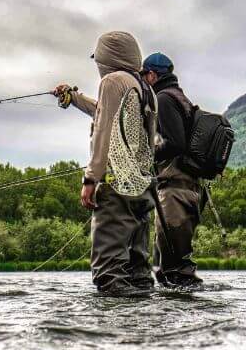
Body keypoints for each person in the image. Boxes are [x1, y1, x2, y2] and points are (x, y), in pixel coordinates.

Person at [53, 31, 157, 297]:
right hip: (142, 190)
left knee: (109, 275)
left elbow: (103, 129)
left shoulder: (112, 81)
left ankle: (111, 335)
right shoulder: (144, 88)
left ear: (107, 58)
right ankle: (146, 328)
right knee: (139, 275)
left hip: (115, 188)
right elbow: (105, 111)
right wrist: (73, 97)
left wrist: (91, 178)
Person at [142, 52, 205, 290]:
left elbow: (176, 143)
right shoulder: (180, 97)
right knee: (173, 269)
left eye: (144, 76)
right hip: (186, 189)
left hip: (176, 192)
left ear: (152, 75)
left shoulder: (164, 99)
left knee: (175, 271)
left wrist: (146, 156)